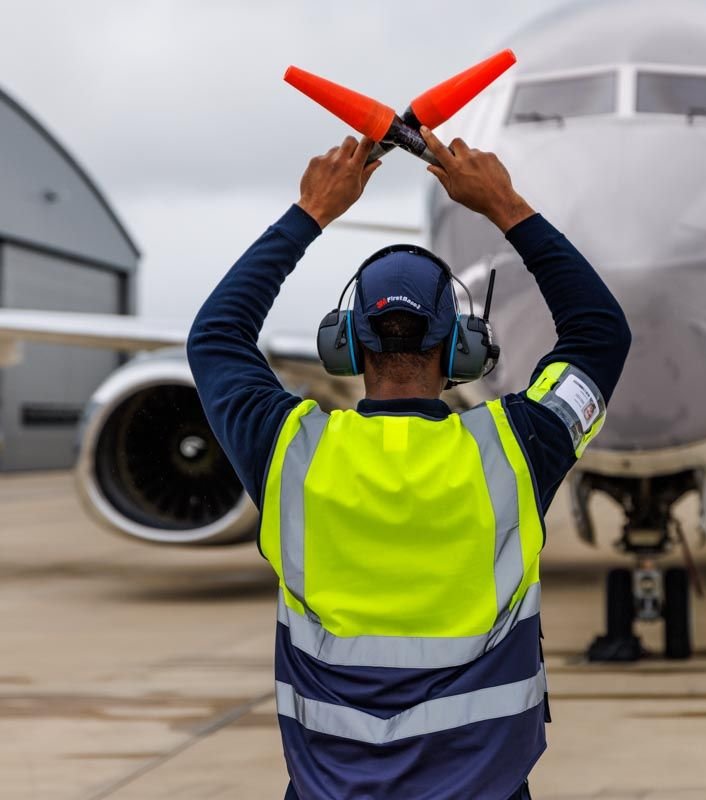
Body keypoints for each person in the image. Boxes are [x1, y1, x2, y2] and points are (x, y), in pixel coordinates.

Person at [187, 128, 631, 800]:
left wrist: (312, 211)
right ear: (463, 349)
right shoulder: (515, 451)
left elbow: (215, 336)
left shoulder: (290, 450)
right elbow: (600, 331)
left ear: (344, 347)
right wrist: (505, 206)